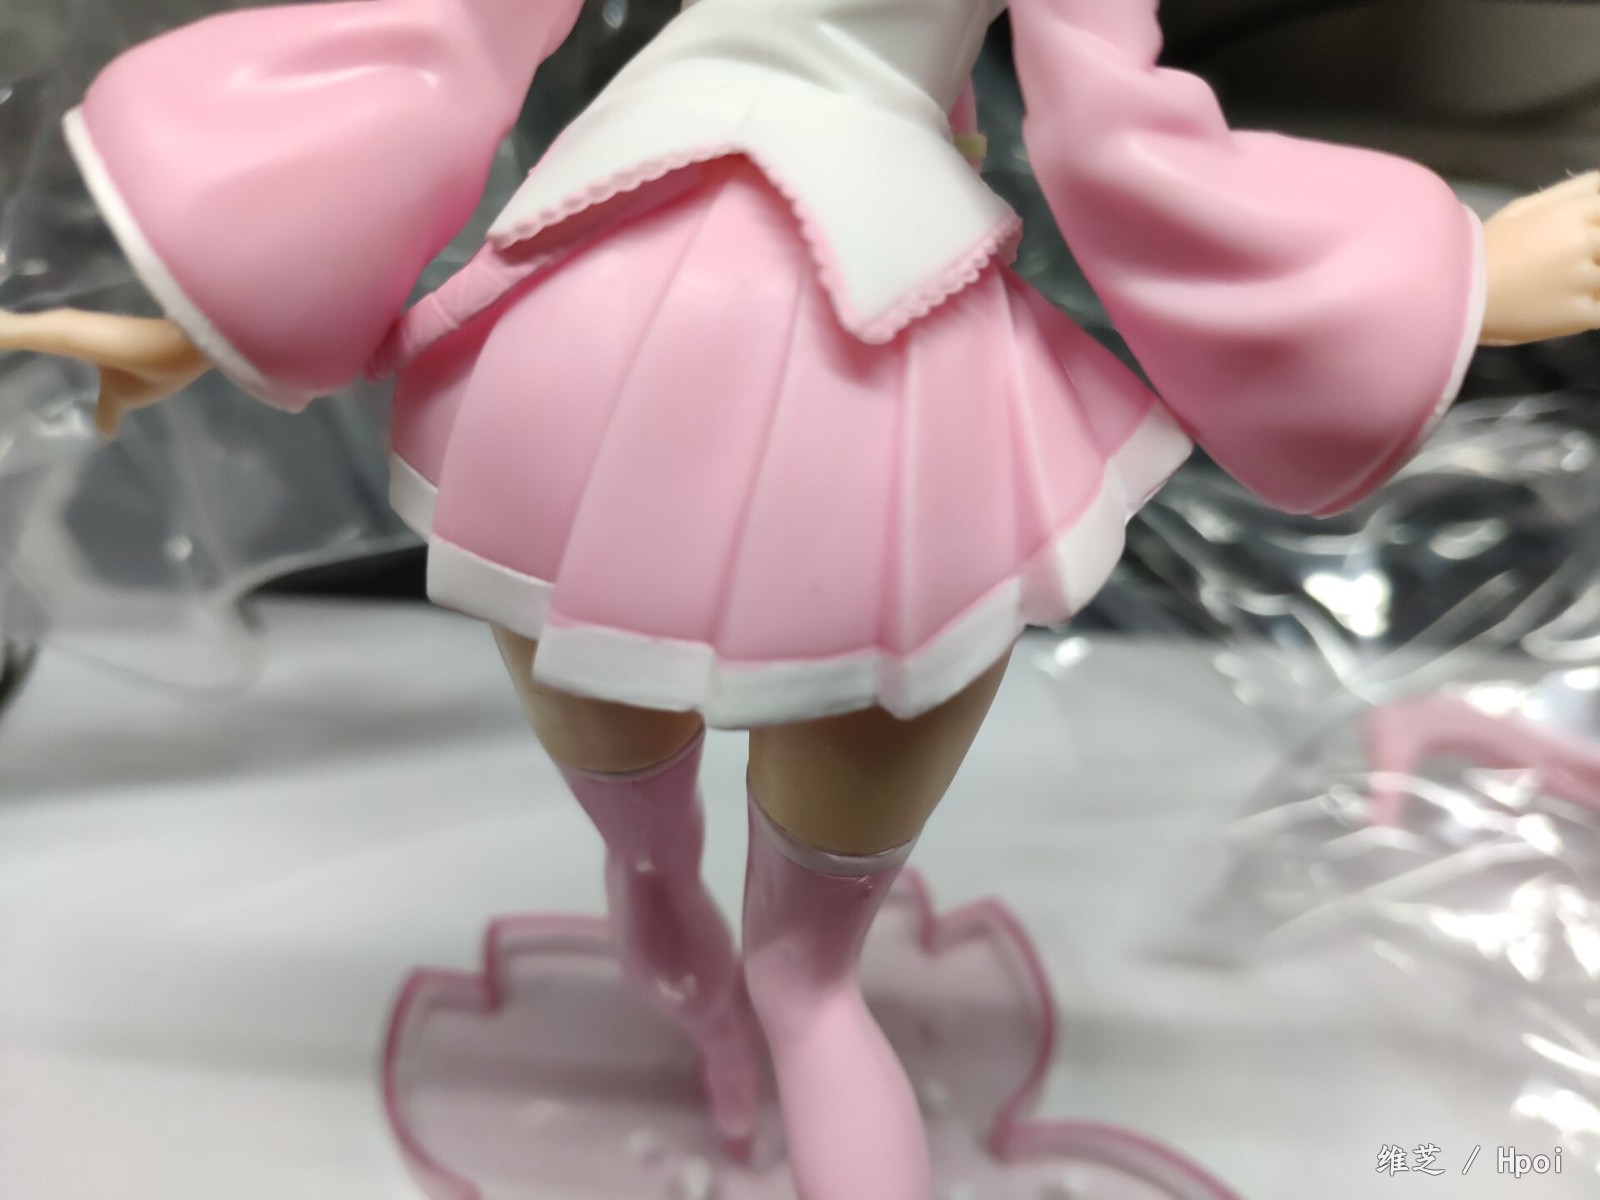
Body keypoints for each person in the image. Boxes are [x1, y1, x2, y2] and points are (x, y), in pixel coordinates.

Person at [4, 0, 1598, 1194]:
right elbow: (1120, 145)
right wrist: (1448, 282)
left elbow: (447, 42)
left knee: (646, 845)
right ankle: (742, 1009)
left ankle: (675, 947)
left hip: (586, 320)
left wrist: (223, 309)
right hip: (874, 366)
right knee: (814, 979)